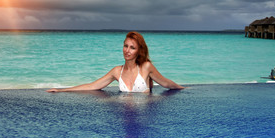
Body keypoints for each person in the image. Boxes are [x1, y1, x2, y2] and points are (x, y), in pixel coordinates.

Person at [46, 31, 184, 93]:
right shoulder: (117, 71)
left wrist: (184, 89)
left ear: (139, 51)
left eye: (132, 48)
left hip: (144, 117)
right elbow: (92, 86)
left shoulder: (146, 67)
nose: (127, 51)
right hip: (125, 115)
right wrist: (62, 90)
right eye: (126, 46)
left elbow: (166, 83)